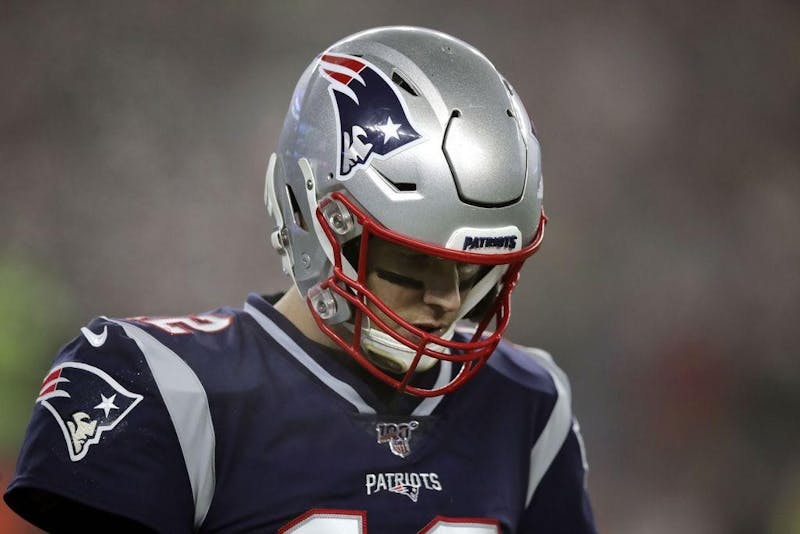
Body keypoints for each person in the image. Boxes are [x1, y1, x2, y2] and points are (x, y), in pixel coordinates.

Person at [4, 26, 596, 533]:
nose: (447, 301)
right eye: (414, 264)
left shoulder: (529, 404)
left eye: (473, 271)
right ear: (320, 224)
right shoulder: (164, 387)